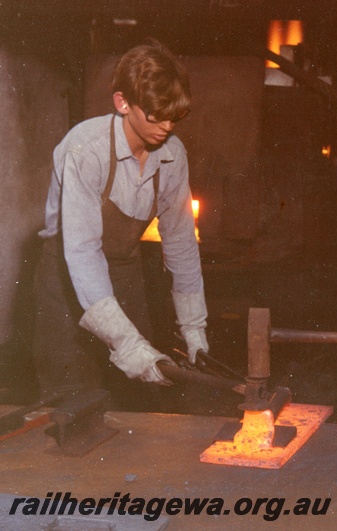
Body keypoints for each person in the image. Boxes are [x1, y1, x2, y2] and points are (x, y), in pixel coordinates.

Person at [32, 39, 209, 406]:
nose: (166, 127)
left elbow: (180, 244)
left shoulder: (172, 155)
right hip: (65, 276)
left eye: (174, 117)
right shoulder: (85, 150)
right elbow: (82, 253)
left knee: (139, 400)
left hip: (124, 271)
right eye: (155, 116)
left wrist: (195, 333)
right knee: (74, 403)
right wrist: (127, 344)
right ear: (122, 103)